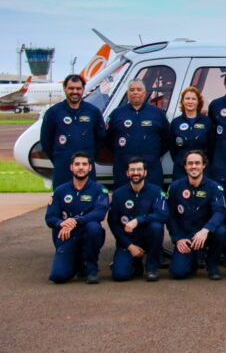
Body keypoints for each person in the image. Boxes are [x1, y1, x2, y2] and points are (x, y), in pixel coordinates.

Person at [44, 152, 109, 284]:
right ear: (71, 167)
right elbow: (50, 217)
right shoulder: (60, 191)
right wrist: (61, 223)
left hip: (87, 234)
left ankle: (91, 269)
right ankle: (77, 263)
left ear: (90, 168)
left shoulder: (99, 190)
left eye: (84, 164)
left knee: (94, 227)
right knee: (58, 276)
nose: (80, 167)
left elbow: (100, 213)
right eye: (77, 164)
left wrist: (76, 220)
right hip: (67, 236)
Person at [167, 150, 226, 280]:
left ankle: (212, 264)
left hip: (207, 235)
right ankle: (193, 259)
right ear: (185, 166)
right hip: (186, 237)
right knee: (178, 273)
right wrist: (178, 238)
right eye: (190, 163)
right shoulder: (175, 187)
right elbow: (170, 216)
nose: (193, 166)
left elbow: (220, 212)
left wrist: (206, 230)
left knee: (221, 231)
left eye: (197, 163)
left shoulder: (214, 187)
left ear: (203, 165)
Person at [40, 74, 106, 188]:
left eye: (78, 88)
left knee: (88, 196)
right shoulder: (53, 112)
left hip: (86, 167)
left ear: (83, 90)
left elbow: (101, 137)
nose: (75, 92)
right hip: (62, 167)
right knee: (61, 196)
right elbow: (46, 140)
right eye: (71, 88)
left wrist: (89, 154)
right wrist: (60, 157)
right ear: (65, 89)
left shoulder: (93, 112)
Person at [108, 157, 168, 282]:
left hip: (148, 237)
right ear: (127, 173)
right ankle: (136, 265)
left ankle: (151, 268)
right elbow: (113, 223)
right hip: (129, 240)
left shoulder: (156, 191)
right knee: (119, 276)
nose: (136, 173)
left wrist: (138, 220)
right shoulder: (118, 194)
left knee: (156, 227)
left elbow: (163, 214)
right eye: (132, 170)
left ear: (145, 172)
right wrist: (130, 246)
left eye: (139, 170)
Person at [107, 79, 169, 188]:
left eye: (139, 89)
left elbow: (167, 138)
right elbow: (107, 139)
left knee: (152, 197)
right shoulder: (117, 113)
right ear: (128, 93)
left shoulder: (157, 113)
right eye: (132, 90)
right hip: (124, 170)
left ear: (144, 93)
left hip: (151, 169)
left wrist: (152, 154)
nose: (135, 92)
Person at [169, 86, 213, 181]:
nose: (190, 101)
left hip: (202, 169)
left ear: (198, 102)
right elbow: (172, 148)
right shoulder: (176, 122)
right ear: (183, 101)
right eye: (187, 98)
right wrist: (181, 160)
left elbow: (212, 147)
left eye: (193, 99)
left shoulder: (207, 122)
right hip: (181, 169)